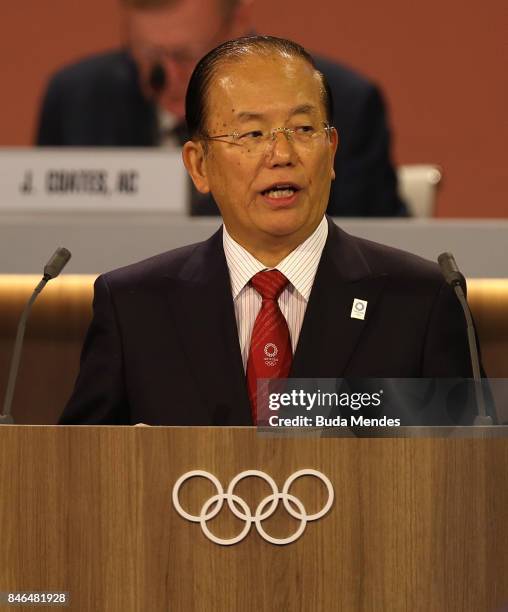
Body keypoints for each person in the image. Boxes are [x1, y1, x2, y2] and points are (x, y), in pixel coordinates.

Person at [59, 36, 478, 427]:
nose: (281, 154)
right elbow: (79, 476)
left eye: (303, 129)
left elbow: (467, 479)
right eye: (252, 133)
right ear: (199, 165)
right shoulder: (134, 309)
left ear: (331, 151)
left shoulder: (422, 302)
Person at [36, 0, 407, 216]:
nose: (167, 77)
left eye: (186, 56)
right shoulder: (76, 100)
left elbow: (374, 254)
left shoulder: (338, 102)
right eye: (148, 57)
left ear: (239, 23)